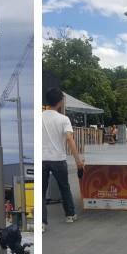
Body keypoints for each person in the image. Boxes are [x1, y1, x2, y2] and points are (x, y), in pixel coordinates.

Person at [42, 87, 85, 225]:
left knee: (41, 192)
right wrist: (78, 160)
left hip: (41, 159)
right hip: (58, 159)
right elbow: (69, 139)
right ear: (60, 102)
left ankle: (42, 222)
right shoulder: (64, 119)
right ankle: (70, 215)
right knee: (64, 187)